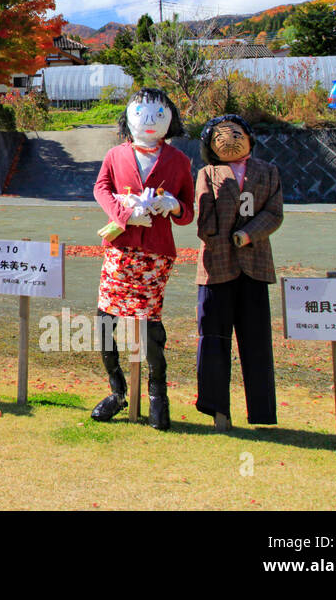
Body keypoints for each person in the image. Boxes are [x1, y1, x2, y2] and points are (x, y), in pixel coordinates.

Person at [91, 87, 195, 430]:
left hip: (155, 253)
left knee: (151, 327)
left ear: (171, 120)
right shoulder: (115, 155)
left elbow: (188, 209)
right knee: (105, 320)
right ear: (128, 118)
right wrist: (123, 214)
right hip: (120, 249)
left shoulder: (180, 162)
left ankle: (157, 397)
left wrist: (174, 205)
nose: (149, 121)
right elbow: (101, 188)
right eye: (140, 114)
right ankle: (117, 390)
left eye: (158, 115)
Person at [193, 114, 283, 431]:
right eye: (220, 135)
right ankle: (217, 410)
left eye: (236, 132)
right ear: (209, 144)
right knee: (214, 338)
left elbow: (274, 212)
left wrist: (247, 235)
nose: (229, 138)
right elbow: (203, 216)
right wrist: (220, 240)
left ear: (249, 136)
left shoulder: (268, 172)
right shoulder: (207, 173)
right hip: (217, 266)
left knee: (256, 340)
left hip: (255, 264)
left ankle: (262, 413)